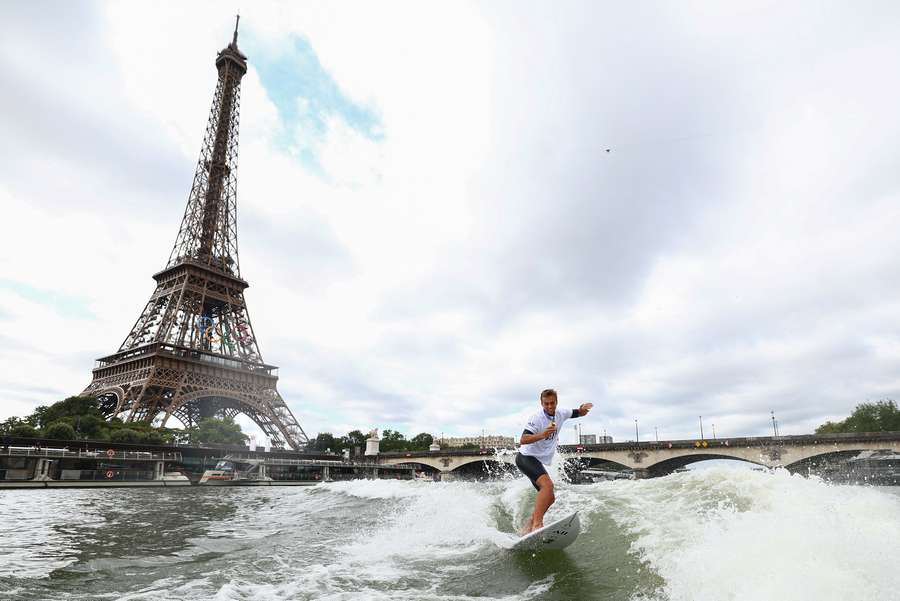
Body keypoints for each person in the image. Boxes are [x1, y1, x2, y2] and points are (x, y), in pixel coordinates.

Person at [515, 388, 593, 534]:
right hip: (526, 458)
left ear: (556, 402)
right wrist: (542, 434)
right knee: (547, 486)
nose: (550, 407)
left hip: (536, 460)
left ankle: (528, 527)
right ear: (541, 403)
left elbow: (577, 413)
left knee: (549, 498)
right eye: (546, 404)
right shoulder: (536, 418)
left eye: (552, 403)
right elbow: (523, 440)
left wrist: (583, 409)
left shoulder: (561, 413)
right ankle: (537, 525)